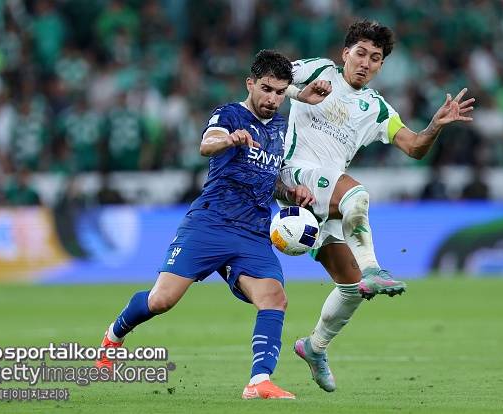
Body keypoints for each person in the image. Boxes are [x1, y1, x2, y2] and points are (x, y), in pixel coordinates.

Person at [95, 50, 328, 400]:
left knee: (274, 298)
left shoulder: (281, 128)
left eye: (280, 92)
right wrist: (229, 139)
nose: (273, 99)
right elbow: (207, 144)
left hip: (253, 231)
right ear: (250, 84)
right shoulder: (229, 114)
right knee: (161, 300)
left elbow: (271, 178)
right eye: (266, 89)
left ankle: (259, 381)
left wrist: (291, 191)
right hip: (211, 223)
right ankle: (113, 336)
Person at [281, 20, 475, 392]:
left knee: (351, 288)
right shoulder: (319, 70)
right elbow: (267, 78)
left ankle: (315, 347)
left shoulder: (375, 107)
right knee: (358, 195)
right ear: (345, 53)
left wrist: (434, 125)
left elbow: (414, 147)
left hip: (328, 195)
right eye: (361, 53)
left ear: (381, 66)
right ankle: (374, 268)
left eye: (375, 58)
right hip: (295, 175)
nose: (366, 62)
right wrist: (297, 93)